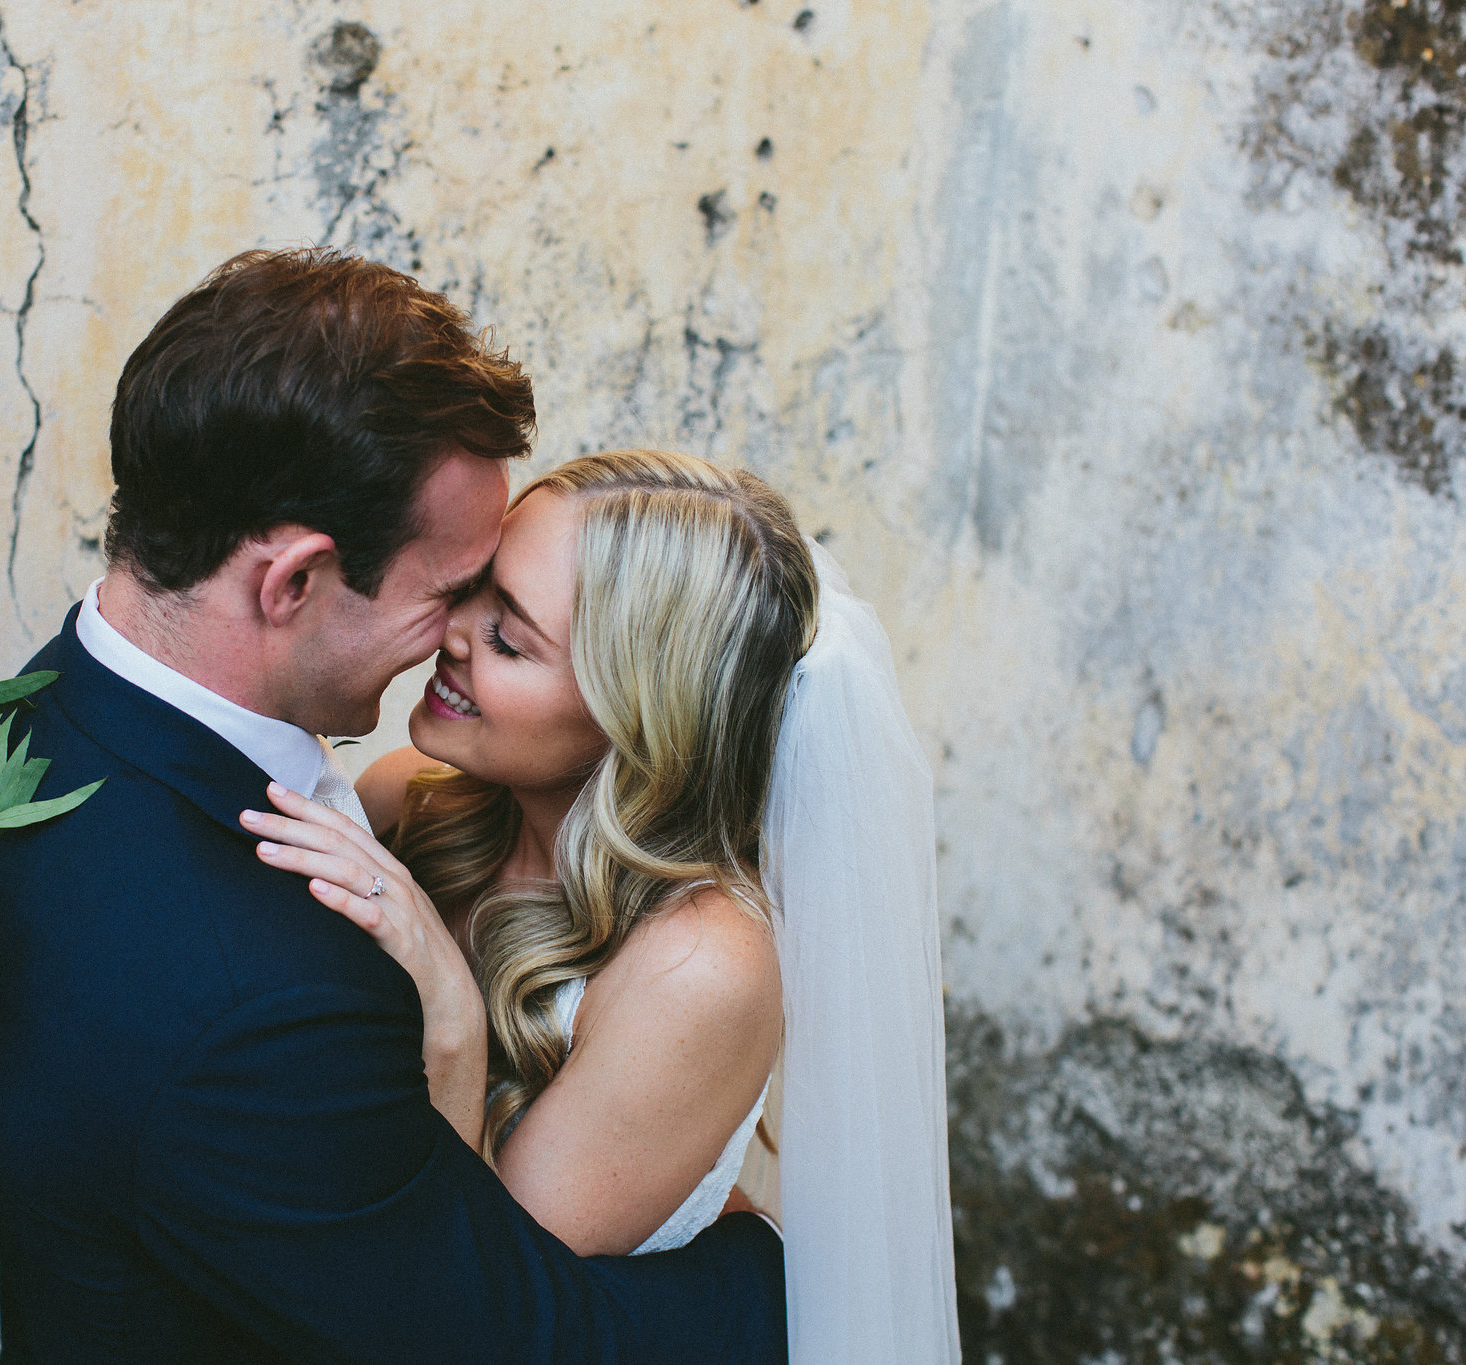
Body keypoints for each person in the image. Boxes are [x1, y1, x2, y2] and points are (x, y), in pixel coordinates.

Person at [0, 249, 787, 1363]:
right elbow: (491, 1329)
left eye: (509, 625)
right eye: (451, 595)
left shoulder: (18, 742)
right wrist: (763, 1282)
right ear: (291, 582)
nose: (456, 638)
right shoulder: (266, 987)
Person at [247, 451, 964, 1362]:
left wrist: (452, 1012)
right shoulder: (412, 797)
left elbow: (480, 1310)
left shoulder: (703, 964)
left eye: (510, 639)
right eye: (474, 589)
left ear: (637, 720)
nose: (450, 631)